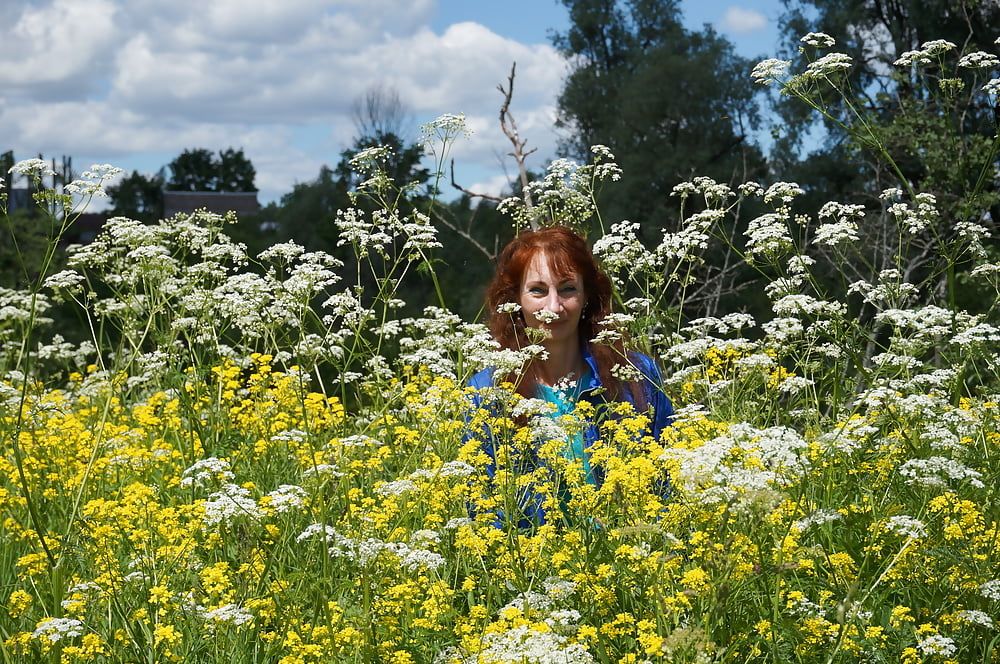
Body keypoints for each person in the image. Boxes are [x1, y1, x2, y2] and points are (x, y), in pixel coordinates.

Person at [466, 225, 673, 527]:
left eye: (567, 289)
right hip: (534, 569)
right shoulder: (486, 393)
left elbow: (668, 483)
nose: (553, 306)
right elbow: (484, 512)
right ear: (515, 300)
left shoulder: (637, 378)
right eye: (537, 290)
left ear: (587, 296)